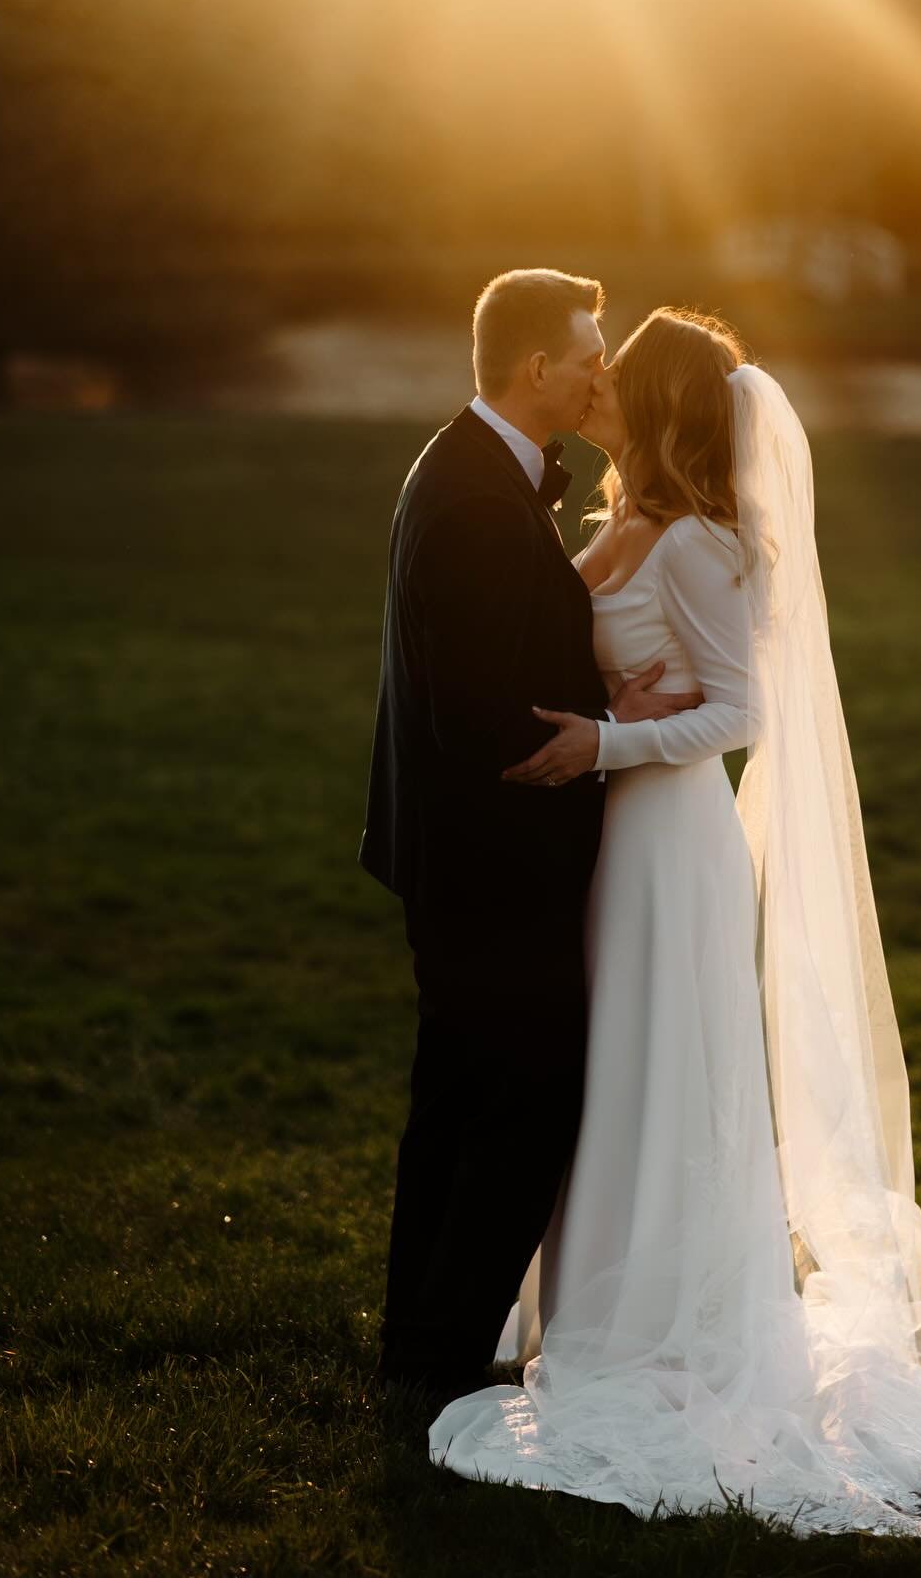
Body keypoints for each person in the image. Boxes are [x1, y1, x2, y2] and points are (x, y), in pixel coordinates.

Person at [426, 307, 921, 1535]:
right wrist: (606, 704)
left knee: (661, 1067)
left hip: (670, 844)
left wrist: (607, 739)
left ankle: (659, 1325)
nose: (598, 383)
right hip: (615, 837)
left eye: (619, 374)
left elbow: (742, 709)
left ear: (662, 403)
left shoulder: (703, 541)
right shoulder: (629, 519)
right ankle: (596, 1303)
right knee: (613, 1070)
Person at [359, 268, 701, 1410]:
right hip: (492, 868)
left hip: (466, 859)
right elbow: (483, 710)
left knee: (458, 1103)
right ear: (537, 367)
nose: (602, 373)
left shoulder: (474, 467)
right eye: (590, 356)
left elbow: (504, 651)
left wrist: (608, 712)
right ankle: (443, 1356)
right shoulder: (471, 499)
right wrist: (609, 729)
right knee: (520, 1106)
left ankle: (420, 1343)